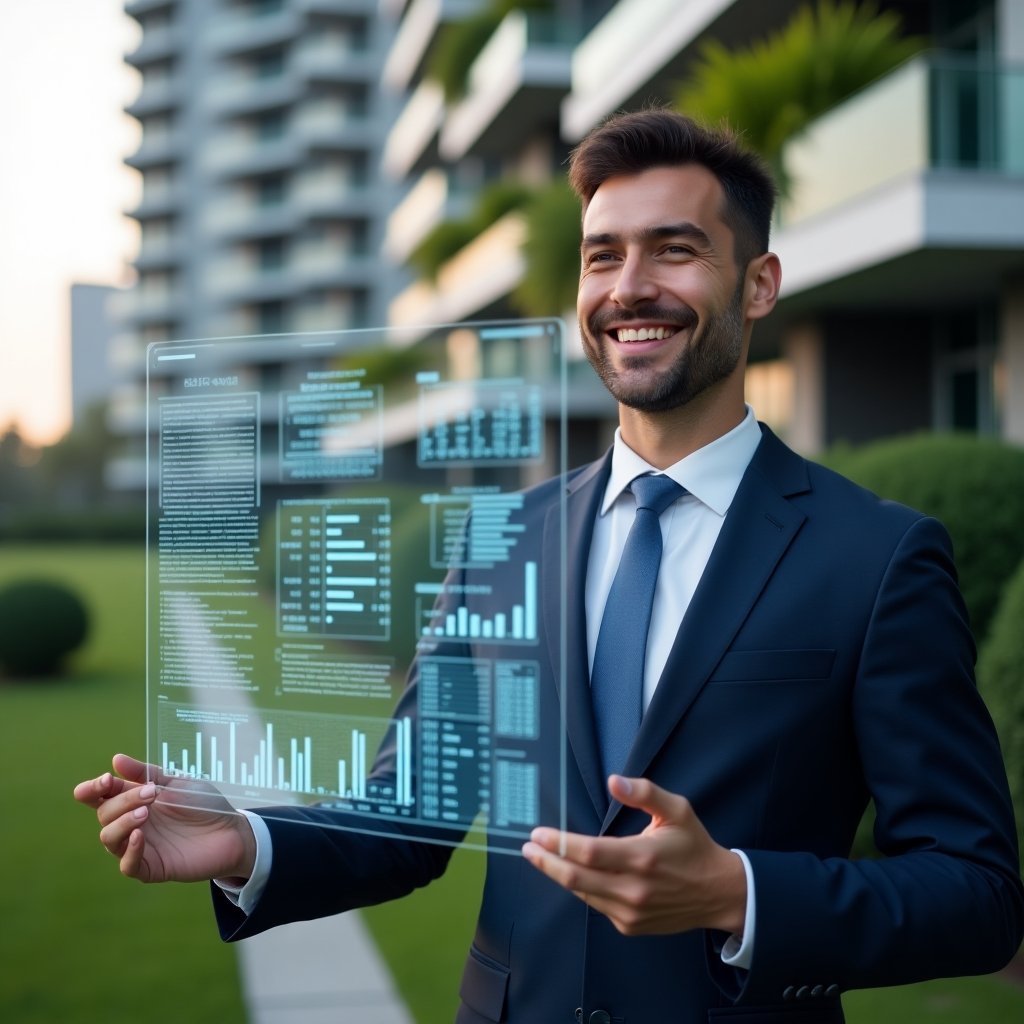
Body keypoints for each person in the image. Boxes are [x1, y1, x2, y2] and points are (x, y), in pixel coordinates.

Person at [76, 109, 1023, 1023]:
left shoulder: (877, 556)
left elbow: (976, 893)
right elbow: (412, 813)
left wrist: (739, 892)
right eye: (602, 254)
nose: (629, 287)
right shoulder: (502, 539)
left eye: (676, 249)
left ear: (760, 283)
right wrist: (249, 841)